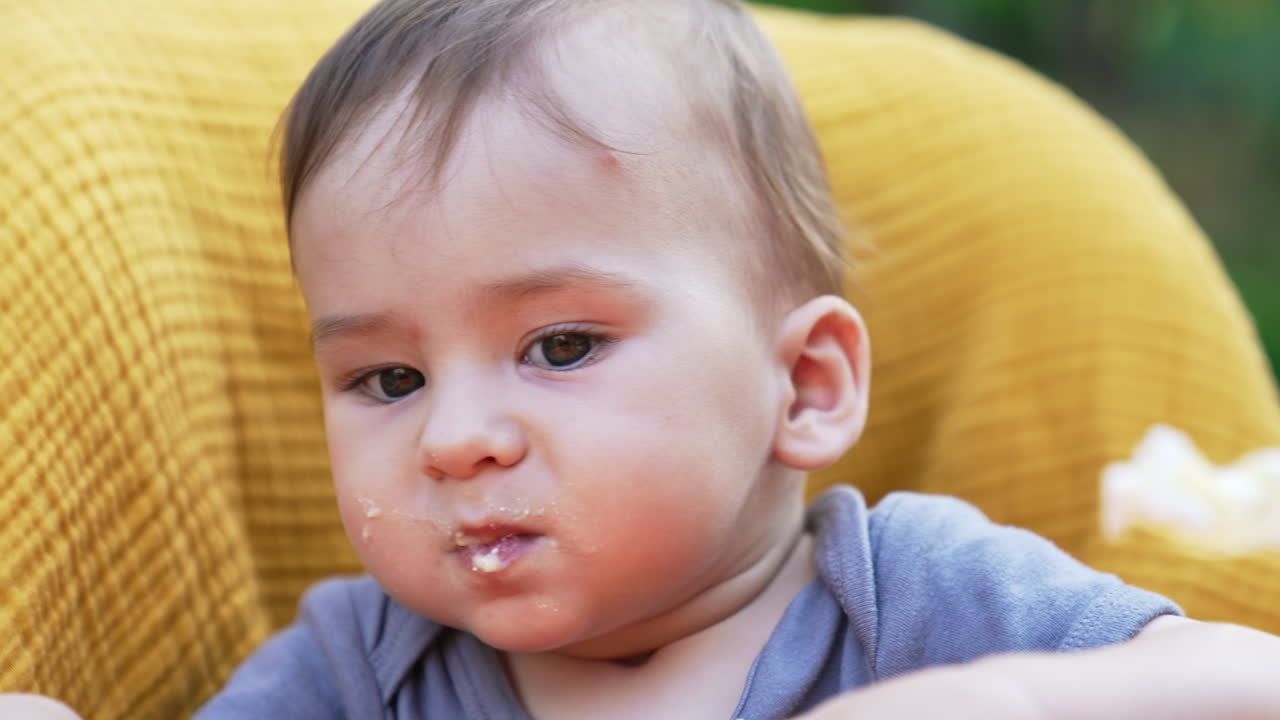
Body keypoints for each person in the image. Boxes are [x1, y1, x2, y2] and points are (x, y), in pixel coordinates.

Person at [181, 0, 1279, 718]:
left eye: (558, 346)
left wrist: (1011, 701)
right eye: (390, 380)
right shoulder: (363, 668)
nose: (454, 439)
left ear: (803, 385)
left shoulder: (907, 600)